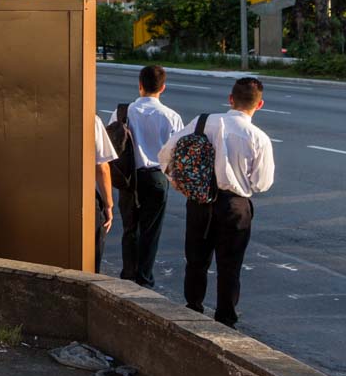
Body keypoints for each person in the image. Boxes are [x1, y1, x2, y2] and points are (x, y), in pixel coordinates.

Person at [161, 76, 274, 328]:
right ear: (260, 104)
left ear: (230, 99)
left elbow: (166, 153)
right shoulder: (258, 137)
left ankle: (192, 309)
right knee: (230, 265)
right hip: (235, 206)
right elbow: (262, 183)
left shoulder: (202, 122)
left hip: (199, 201)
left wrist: (180, 184)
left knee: (196, 260)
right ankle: (225, 317)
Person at [109, 65, 184, 288]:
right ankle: (144, 278)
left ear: (140, 85)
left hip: (128, 176)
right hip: (156, 177)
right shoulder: (171, 116)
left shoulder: (122, 112)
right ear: (163, 88)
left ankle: (128, 274)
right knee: (151, 231)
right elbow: (175, 153)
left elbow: (112, 145)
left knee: (129, 227)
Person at [92, 115, 117, 272]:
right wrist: (108, 204)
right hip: (84, 194)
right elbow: (102, 167)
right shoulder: (91, 119)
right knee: (91, 252)